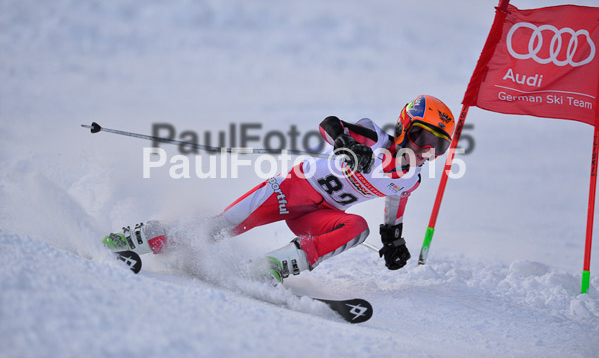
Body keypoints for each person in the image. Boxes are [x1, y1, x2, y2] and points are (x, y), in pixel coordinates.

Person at [103, 95, 455, 283]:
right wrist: (348, 144)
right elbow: (329, 125)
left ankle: (273, 266)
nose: (427, 151)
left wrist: (393, 241)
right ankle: (139, 238)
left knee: (357, 228)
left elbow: (394, 207)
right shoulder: (374, 136)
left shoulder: (409, 178)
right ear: (407, 126)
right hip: (289, 192)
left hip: (319, 216)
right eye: (424, 138)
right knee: (215, 230)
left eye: (436, 147)